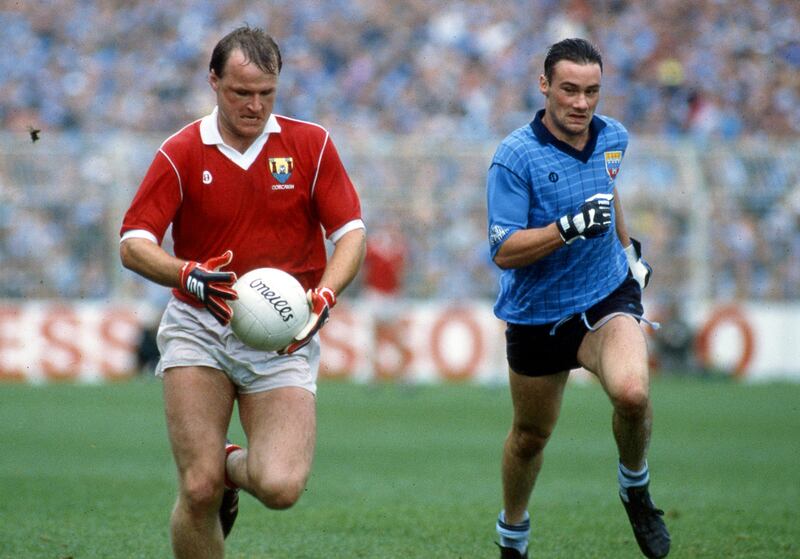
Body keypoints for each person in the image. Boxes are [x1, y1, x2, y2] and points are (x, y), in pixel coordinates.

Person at [119, 26, 365, 559]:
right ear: (213, 81)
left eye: (266, 93)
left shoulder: (311, 144)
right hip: (199, 327)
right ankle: (215, 472)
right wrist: (186, 273)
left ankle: (231, 466)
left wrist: (325, 292)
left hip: (283, 336)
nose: (255, 105)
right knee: (198, 486)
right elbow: (133, 242)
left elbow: (350, 234)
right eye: (240, 92)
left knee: (280, 487)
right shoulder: (181, 151)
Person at [485, 38, 670, 559]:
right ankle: (513, 534)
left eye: (591, 91)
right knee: (529, 437)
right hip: (537, 315)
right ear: (544, 85)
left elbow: (608, 192)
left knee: (632, 393)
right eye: (569, 89)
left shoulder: (615, 137)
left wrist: (629, 252)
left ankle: (635, 485)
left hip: (606, 294)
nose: (581, 102)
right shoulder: (514, 156)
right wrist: (566, 229)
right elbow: (503, 249)